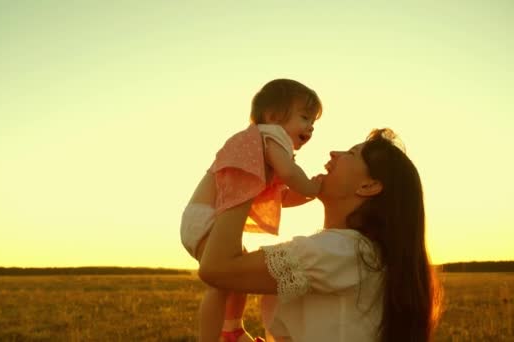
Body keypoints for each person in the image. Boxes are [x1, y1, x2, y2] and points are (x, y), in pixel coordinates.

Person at [199, 129, 442, 342]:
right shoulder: (356, 252)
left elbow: (217, 269)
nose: (334, 153)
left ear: (368, 186)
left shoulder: (341, 250)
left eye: (352, 153)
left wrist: (246, 174)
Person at [180, 79, 323, 342]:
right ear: (272, 116)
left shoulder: (264, 149)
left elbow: (283, 197)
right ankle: (212, 338)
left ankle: (232, 329)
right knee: (221, 282)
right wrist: (313, 188)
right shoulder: (271, 135)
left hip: (201, 217)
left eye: (313, 122)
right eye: (304, 117)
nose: (310, 127)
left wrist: (307, 195)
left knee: (236, 279)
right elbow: (291, 174)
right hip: (205, 217)